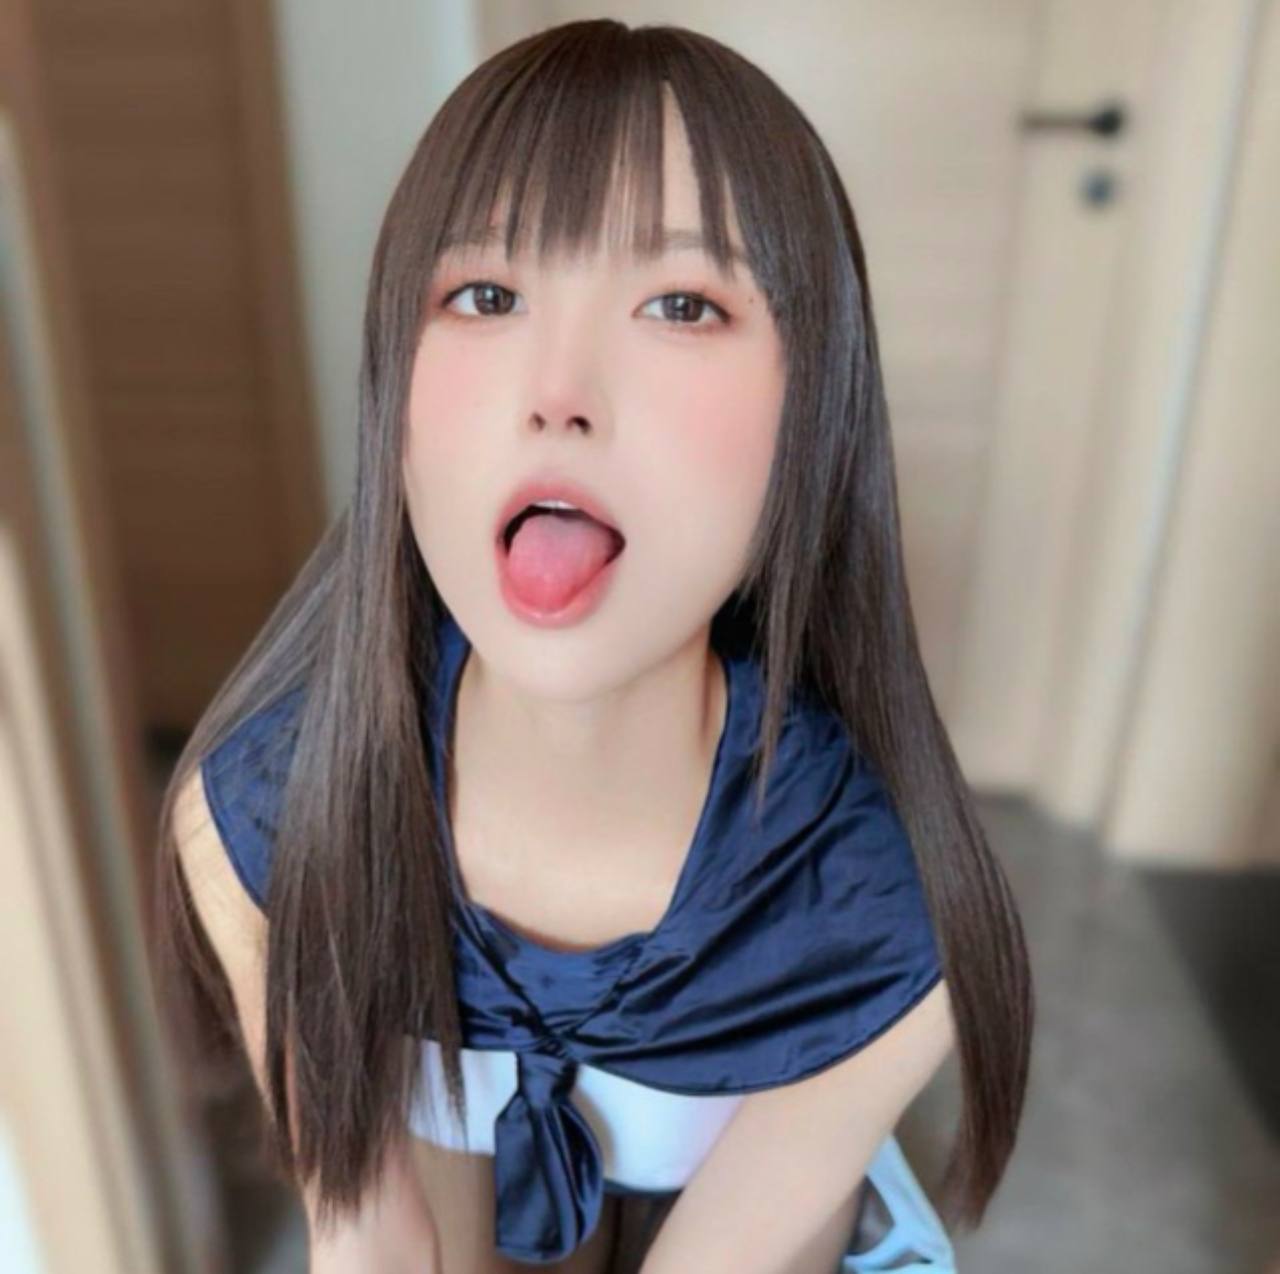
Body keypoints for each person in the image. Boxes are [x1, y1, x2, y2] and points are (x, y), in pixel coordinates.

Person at [153, 18, 1033, 1273]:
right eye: (485, 295)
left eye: (680, 304)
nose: (557, 391)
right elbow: (369, 1234)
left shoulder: (877, 912)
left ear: (812, 412)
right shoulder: (259, 822)